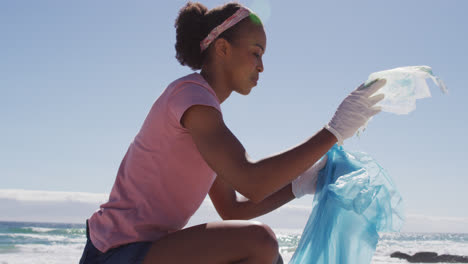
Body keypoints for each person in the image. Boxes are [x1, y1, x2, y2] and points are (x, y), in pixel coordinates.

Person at [79, 2, 386, 264]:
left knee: (266, 253)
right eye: (256, 53)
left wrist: (299, 186)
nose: (262, 66)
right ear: (223, 48)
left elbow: (232, 208)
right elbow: (251, 180)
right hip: (114, 252)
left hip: (144, 250)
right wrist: (334, 131)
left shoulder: (204, 111)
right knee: (260, 242)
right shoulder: (191, 98)